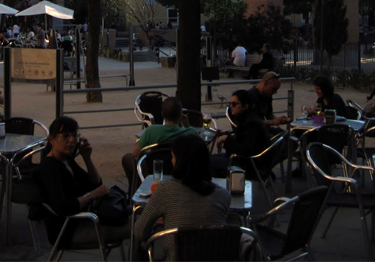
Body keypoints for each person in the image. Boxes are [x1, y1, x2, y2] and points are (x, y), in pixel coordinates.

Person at [35, 117, 130, 247]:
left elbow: (95, 183)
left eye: (74, 136)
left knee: (141, 214)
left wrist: (87, 158)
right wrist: (92, 195)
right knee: (139, 226)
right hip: (69, 229)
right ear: (52, 139)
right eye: (65, 136)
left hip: (88, 218)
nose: (71, 141)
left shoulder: (66, 160)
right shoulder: (49, 168)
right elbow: (64, 207)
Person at [134, 133, 231, 261]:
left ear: (180, 162)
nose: (171, 161)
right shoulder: (224, 196)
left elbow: (139, 231)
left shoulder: (166, 190)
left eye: (173, 157)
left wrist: (165, 224)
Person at [121, 97, 196, 192]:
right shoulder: (190, 132)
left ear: (162, 113)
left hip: (153, 173)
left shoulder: (152, 131)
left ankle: (136, 190)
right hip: (181, 173)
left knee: (127, 158)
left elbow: (135, 153)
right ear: (180, 114)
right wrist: (187, 124)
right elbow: (198, 148)